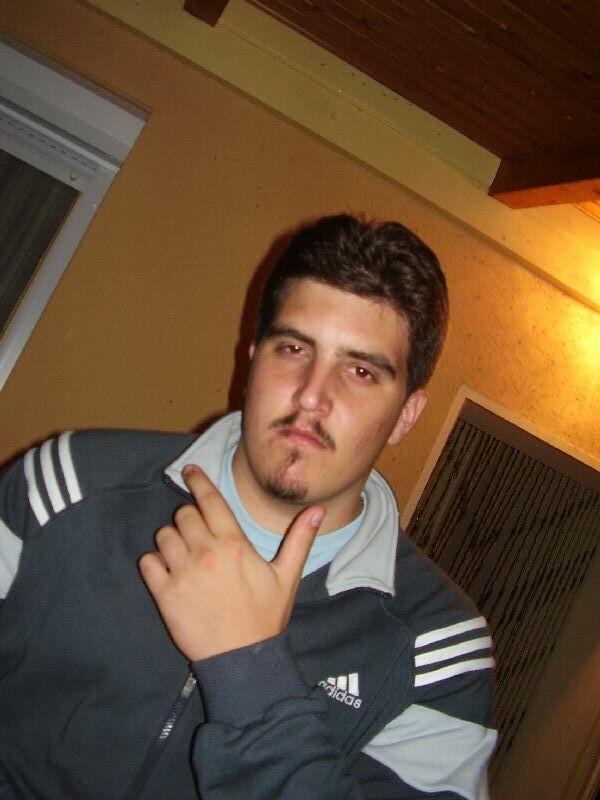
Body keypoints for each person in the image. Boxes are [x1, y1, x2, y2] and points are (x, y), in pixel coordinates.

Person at [0, 214, 496, 799]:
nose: (312, 395)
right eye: (294, 348)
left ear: (405, 416)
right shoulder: (69, 486)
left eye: (361, 371)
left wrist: (248, 668)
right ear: (252, 358)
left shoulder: (438, 647)